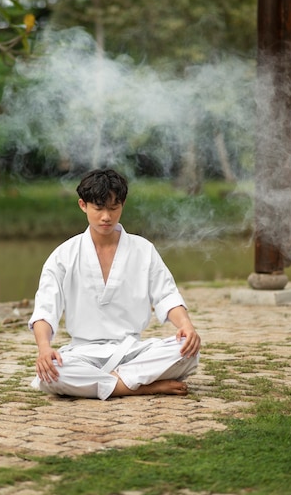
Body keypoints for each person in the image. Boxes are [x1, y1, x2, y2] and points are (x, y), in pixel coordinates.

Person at [29, 168, 201, 400]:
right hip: (82, 353)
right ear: (83, 205)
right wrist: (44, 349)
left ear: (123, 204)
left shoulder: (143, 250)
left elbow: (166, 295)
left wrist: (186, 326)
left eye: (113, 208)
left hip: (133, 350)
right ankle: (140, 386)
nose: (106, 217)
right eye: (98, 208)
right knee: (52, 373)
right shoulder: (63, 255)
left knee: (188, 353)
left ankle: (103, 383)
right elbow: (45, 310)